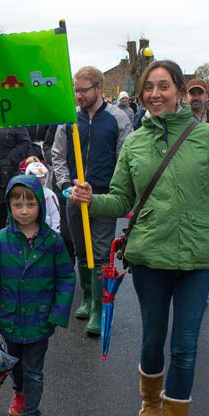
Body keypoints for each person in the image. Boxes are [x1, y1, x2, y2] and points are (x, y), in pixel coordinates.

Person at [69, 60, 209, 416]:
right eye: (148, 88)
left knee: (186, 346)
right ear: (141, 95)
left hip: (196, 258)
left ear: (178, 90)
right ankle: (150, 404)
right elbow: (120, 199)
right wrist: (90, 199)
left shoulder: (206, 137)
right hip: (150, 255)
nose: (155, 94)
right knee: (154, 338)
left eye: (163, 86)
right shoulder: (135, 142)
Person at [0, 175, 75, 416]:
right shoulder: (0, 242)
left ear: (41, 206)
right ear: (9, 206)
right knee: (16, 366)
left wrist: (57, 314)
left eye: (30, 205)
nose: (24, 211)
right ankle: (18, 391)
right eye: (17, 204)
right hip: (10, 318)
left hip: (39, 320)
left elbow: (67, 278)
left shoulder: (53, 242)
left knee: (35, 370)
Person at [51, 66, 131, 336]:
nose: (77, 95)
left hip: (103, 199)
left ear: (98, 89)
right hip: (74, 198)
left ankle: (98, 307)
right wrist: (65, 186)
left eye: (82, 90)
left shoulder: (118, 119)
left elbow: (125, 160)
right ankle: (86, 297)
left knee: (99, 252)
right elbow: (58, 155)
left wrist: (113, 193)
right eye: (75, 89)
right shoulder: (69, 120)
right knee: (81, 250)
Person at [23, 159, 60, 233]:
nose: (40, 180)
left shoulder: (50, 195)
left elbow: (55, 213)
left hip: (47, 232)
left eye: (42, 177)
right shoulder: (23, 193)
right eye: (36, 177)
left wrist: (55, 231)